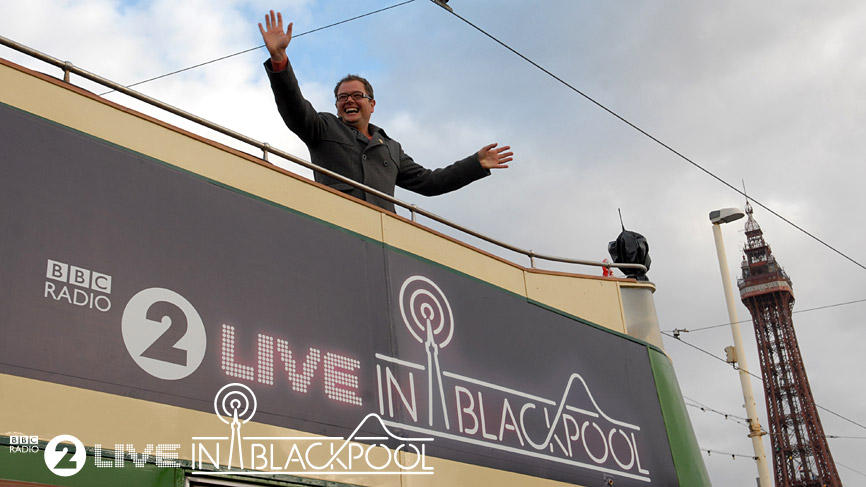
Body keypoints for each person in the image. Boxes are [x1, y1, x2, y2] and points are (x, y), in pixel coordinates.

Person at [258, 10, 514, 213]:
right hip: (336, 223)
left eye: (357, 95)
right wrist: (280, 59)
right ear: (336, 105)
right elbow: (293, 107)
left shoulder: (391, 148)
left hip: (382, 236)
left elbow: (429, 183)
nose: (349, 101)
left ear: (372, 104)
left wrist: (475, 164)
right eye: (342, 97)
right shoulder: (323, 127)